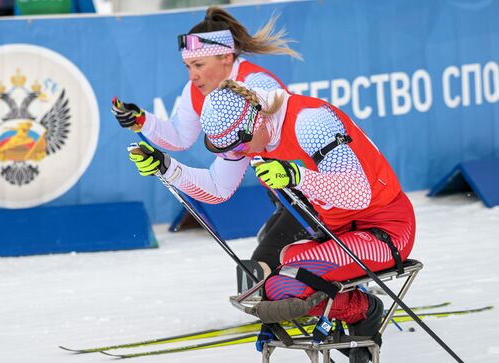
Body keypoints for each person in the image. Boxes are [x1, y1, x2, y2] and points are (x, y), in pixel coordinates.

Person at [127, 79, 416, 363]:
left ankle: (363, 312)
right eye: (231, 150)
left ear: (259, 120)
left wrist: (297, 176)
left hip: (385, 230)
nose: (240, 154)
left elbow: (358, 194)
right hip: (339, 234)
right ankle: (356, 319)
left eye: (240, 146)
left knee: (284, 286)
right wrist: (169, 168)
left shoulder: (310, 122)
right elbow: (217, 188)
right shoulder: (247, 132)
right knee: (277, 281)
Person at [112, 6, 307, 276]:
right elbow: (182, 138)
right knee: (267, 255)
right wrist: (143, 121)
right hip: (283, 189)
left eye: (199, 65)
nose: (192, 75)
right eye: (188, 66)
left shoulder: (258, 86)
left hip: (310, 187)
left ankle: (350, 296)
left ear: (226, 57)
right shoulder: (200, 92)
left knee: (267, 263)